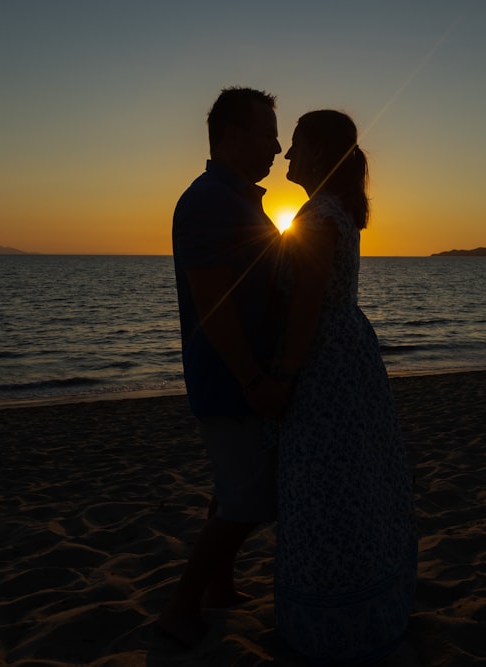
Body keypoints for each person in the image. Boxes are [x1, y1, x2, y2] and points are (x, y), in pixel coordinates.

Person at [273, 110, 417, 664]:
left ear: (315, 154)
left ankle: (331, 625)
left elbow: (306, 307)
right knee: (353, 482)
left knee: (324, 489)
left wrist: (284, 376)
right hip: (349, 358)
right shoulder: (335, 211)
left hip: (325, 367)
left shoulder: (315, 217)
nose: (286, 155)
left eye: (295, 146)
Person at [158, 87, 287, 648]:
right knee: (247, 500)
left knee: (233, 488)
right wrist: (254, 380)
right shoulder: (209, 201)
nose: (278, 147)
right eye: (267, 133)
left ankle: (220, 588)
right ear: (231, 136)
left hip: (240, 377)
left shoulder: (238, 199)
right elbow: (214, 305)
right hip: (229, 379)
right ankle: (181, 608)